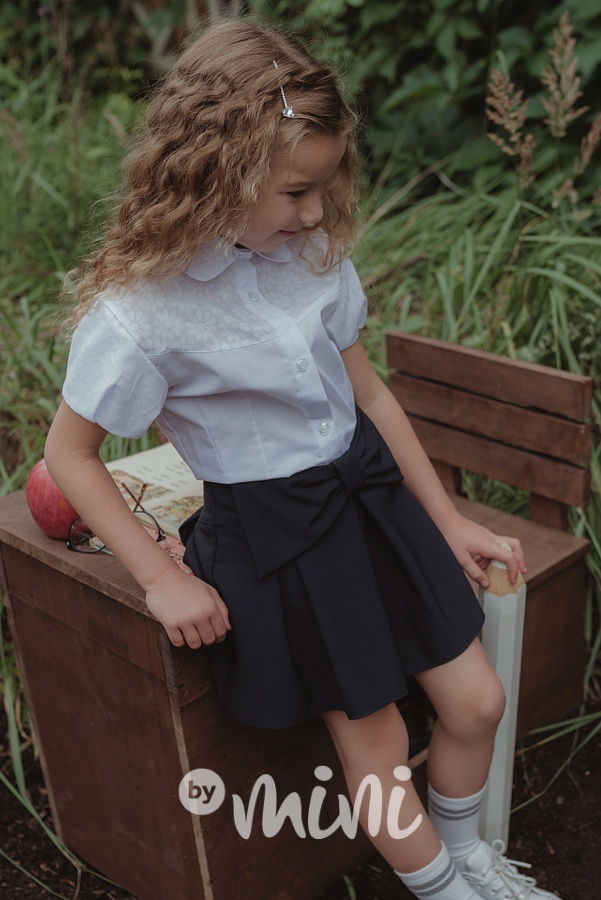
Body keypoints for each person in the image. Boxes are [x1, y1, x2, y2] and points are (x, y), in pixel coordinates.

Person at [44, 18, 560, 900]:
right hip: (282, 542)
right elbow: (70, 455)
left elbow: (372, 398)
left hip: (373, 506)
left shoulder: (309, 258)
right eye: (293, 191)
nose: (316, 212)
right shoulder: (142, 314)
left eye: (322, 186)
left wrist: (446, 519)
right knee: (380, 745)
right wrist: (158, 579)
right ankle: (441, 892)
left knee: (476, 703)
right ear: (216, 174)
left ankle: (466, 855)